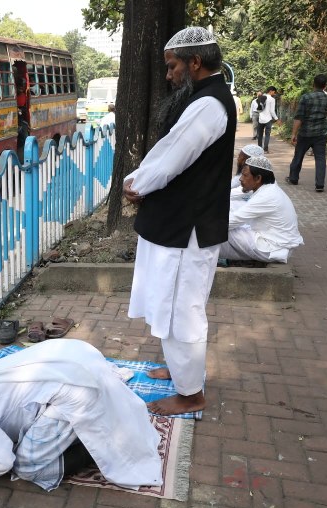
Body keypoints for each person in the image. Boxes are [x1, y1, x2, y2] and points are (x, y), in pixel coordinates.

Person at [122, 27, 236, 415]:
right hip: (180, 223)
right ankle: (178, 371)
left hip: (189, 227)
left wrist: (136, 184)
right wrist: (139, 179)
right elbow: (168, 150)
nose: (168, 75)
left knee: (179, 310)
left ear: (195, 63)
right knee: (169, 303)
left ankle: (191, 394)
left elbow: (172, 156)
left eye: (172, 66)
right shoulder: (206, 99)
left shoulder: (208, 104)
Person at [0, 339, 163, 491]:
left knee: (25, 468)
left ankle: (92, 448)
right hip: (79, 354)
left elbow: (0, 461)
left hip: (78, 391)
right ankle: (86, 427)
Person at [220, 155, 303, 263]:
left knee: (217, 231)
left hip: (272, 247)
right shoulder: (268, 188)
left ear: (258, 178)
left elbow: (233, 220)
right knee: (224, 218)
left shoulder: (266, 196)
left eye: (245, 175)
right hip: (275, 243)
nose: (241, 179)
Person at [285, 74, 327, 192]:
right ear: (325, 86)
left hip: (305, 133)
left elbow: (299, 117)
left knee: (298, 155)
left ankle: (293, 178)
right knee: (320, 158)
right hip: (321, 134)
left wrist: (294, 134)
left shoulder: (305, 98)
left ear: (313, 84)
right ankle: (320, 184)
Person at [230, 144, 265, 209]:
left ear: (246, 160)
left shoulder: (251, 174)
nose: (238, 159)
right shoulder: (255, 170)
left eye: (240, 156)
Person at [256, 86, 279, 153]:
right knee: (267, 135)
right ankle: (266, 149)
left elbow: (258, 109)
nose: (274, 94)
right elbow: (272, 111)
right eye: (274, 92)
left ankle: (259, 149)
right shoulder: (272, 99)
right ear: (271, 91)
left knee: (260, 135)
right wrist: (276, 119)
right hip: (268, 119)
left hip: (260, 119)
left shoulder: (260, 97)